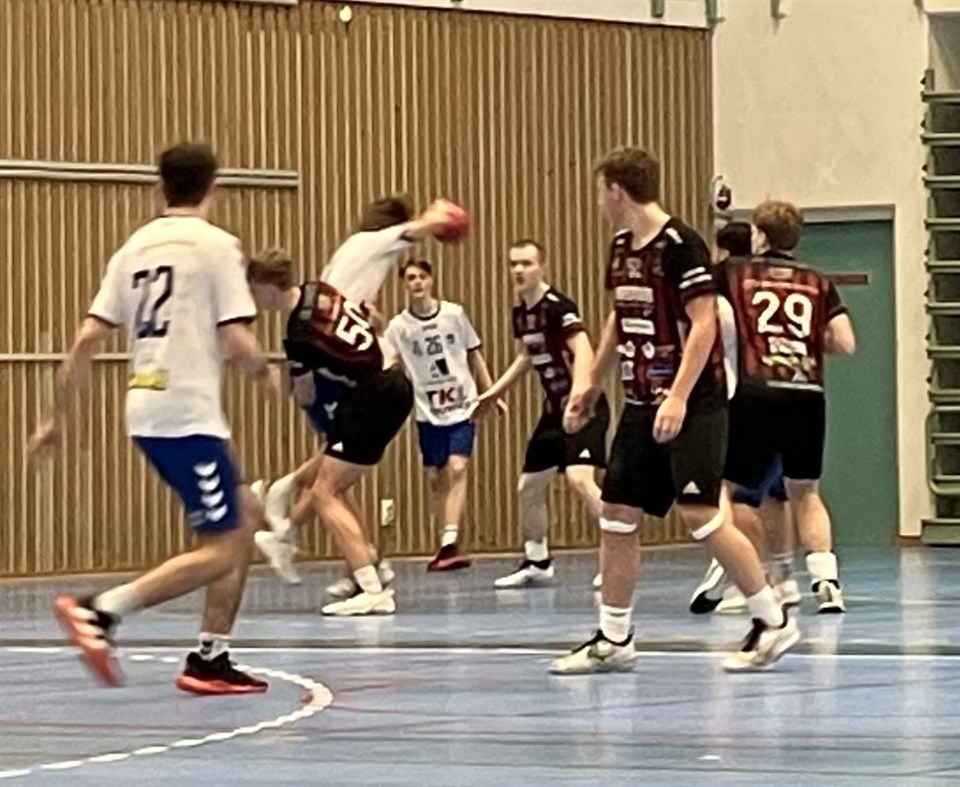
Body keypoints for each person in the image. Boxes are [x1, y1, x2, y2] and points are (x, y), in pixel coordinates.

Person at [28, 142, 280, 693]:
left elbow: (87, 337)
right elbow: (237, 338)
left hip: (146, 408)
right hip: (185, 416)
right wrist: (265, 372)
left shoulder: (133, 248)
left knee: (245, 514)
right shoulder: (216, 246)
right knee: (222, 550)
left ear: (159, 186)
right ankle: (101, 610)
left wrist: (54, 417)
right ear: (215, 186)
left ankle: (210, 658)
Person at [551, 146, 799, 675]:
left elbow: (703, 322)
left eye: (601, 192)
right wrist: (590, 382)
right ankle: (614, 638)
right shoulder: (622, 247)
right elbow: (619, 318)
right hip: (640, 402)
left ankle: (772, 619)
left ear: (617, 191)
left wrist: (680, 396)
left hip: (694, 402)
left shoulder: (681, 245)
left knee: (701, 514)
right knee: (617, 515)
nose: (599, 202)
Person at [248, 199, 461, 615]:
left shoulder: (299, 329)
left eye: (255, 292)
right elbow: (364, 322)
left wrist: (270, 375)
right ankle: (355, 560)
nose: (254, 300)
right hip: (389, 381)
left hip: (372, 393)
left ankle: (368, 586)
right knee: (334, 479)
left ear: (269, 288)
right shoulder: (320, 291)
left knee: (326, 489)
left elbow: (304, 393)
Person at [716, 199, 855, 614]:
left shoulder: (735, 273)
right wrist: (803, 344)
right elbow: (845, 342)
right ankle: (826, 580)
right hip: (806, 392)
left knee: (732, 493)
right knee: (806, 492)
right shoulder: (817, 281)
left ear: (759, 235)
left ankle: (750, 579)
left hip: (756, 391)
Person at [474, 240, 608, 589]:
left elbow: (584, 349)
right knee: (528, 487)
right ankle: (537, 561)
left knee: (580, 479)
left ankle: (616, 556)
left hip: (584, 407)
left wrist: (579, 398)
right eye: (513, 264)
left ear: (542, 267)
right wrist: (494, 392)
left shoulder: (558, 307)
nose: (519, 270)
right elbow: (527, 355)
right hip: (552, 412)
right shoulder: (522, 312)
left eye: (527, 263)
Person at [384, 259, 497, 571]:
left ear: (431, 280)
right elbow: (387, 360)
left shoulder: (454, 315)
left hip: (462, 405)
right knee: (436, 477)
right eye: (410, 278)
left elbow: (474, 352)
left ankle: (450, 541)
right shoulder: (399, 327)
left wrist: (490, 392)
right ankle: (443, 540)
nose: (417, 283)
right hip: (428, 411)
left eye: (422, 276)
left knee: (457, 467)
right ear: (404, 285)